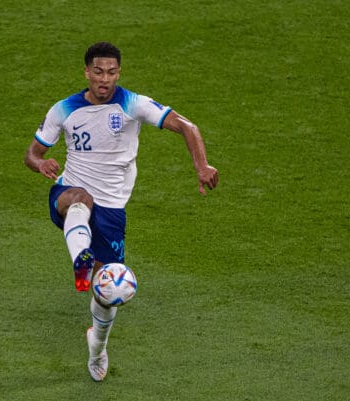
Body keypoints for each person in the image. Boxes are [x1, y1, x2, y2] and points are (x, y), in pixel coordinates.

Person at [24, 42, 218, 382]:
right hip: (69, 192)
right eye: (98, 72)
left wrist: (202, 167)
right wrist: (41, 163)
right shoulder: (64, 109)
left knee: (109, 293)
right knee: (79, 198)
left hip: (112, 208)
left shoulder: (133, 104)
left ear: (119, 73)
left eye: (111, 72)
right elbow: (32, 153)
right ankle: (80, 259)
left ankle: (97, 346)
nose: (105, 79)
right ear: (86, 72)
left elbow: (189, 127)